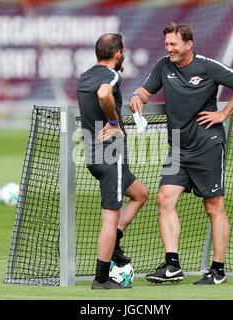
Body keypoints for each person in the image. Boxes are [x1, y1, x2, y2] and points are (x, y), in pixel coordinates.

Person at [128, 23, 233, 285]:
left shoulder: (207, 66)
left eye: (174, 44)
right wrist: (137, 96)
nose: (169, 49)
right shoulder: (164, 65)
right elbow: (145, 89)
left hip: (207, 146)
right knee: (164, 199)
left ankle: (218, 270)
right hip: (178, 148)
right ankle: (173, 266)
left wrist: (223, 113)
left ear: (188, 44)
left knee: (213, 208)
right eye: (167, 45)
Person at [77, 33, 149, 290]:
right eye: (124, 51)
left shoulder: (85, 75)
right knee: (109, 219)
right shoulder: (112, 76)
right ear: (118, 54)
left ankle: (115, 243)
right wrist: (114, 123)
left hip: (94, 156)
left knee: (140, 193)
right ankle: (101, 279)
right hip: (111, 157)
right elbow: (105, 94)